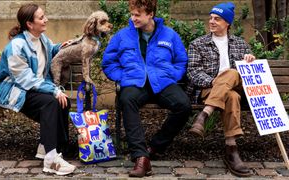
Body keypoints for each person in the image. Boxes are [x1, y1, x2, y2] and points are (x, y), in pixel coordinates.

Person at [102, 0, 191, 177]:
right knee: (126, 100)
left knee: (183, 105)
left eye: (137, 15)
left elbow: (181, 61)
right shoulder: (122, 36)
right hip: (135, 83)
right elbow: (108, 62)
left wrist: (171, 75)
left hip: (162, 83)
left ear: (150, 14)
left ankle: (155, 147)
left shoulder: (169, 35)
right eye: (132, 14)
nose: (133, 18)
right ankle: (141, 157)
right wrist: (122, 77)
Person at [0, 3, 75, 176]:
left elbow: (50, 50)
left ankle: (53, 146)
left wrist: (63, 47)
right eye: (41, 18)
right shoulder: (16, 46)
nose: (46, 20)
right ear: (30, 24)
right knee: (51, 102)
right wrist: (54, 89)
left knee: (63, 102)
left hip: (30, 86)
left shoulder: (41, 39)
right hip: (11, 90)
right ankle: (50, 160)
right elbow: (25, 79)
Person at [187, 2, 255, 177]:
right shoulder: (198, 44)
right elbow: (193, 72)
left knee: (232, 73)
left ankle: (204, 114)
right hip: (208, 89)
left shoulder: (240, 44)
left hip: (236, 87)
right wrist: (213, 81)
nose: (211, 21)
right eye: (210, 18)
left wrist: (250, 61)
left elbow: (248, 74)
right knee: (230, 96)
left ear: (227, 23)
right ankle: (231, 149)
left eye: (217, 18)